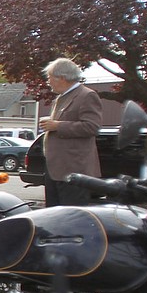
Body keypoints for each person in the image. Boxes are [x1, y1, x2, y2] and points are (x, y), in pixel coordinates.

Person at [39, 57, 102, 207]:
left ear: (62, 78)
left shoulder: (87, 95)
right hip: (55, 169)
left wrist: (58, 126)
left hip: (74, 171)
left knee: (71, 218)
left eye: (50, 78)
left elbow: (92, 127)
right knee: (54, 216)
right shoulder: (61, 98)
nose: (48, 82)